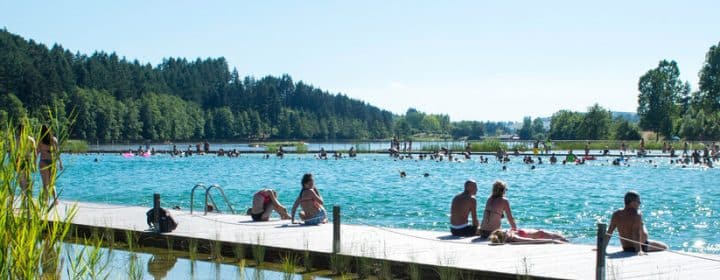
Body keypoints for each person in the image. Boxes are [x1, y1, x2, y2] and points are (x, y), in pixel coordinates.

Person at [38, 124, 63, 202]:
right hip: (52, 162)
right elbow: (57, 153)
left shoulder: (40, 140)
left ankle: (45, 201)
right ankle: (55, 200)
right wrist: (60, 163)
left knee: (45, 184)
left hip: (43, 162)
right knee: (52, 183)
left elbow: (37, 152)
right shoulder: (54, 139)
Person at [489, 229, 567, 245]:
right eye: (505, 232)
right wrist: (552, 241)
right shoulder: (515, 238)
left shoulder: (510, 235)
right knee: (565, 240)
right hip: (544, 235)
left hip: (542, 233)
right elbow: (531, 240)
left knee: (566, 239)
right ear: (505, 237)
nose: (507, 231)